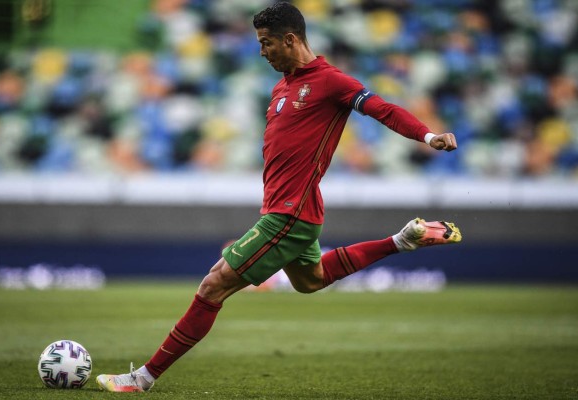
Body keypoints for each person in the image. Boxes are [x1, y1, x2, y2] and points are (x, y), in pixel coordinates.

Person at [96, 2, 462, 392]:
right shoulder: (282, 86)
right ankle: (400, 241)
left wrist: (428, 136)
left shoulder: (330, 81)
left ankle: (143, 378)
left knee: (212, 287)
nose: (262, 51)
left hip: (289, 214)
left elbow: (382, 108)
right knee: (311, 279)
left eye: (266, 43)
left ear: (290, 39)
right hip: (292, 211)